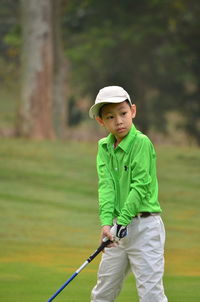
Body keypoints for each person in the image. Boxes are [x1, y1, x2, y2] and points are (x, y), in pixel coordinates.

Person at [89, 86, 168, 302]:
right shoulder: (104, 147)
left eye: (123, 114)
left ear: (133, 111)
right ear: (101, 121)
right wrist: (107, 223)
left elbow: (140, 186)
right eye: (110, 117)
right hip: (116, 229)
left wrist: (121, 222)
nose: (119, 121)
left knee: (151, 295)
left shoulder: (141, 143)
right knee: (103, 293)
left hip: (145, 228)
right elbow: (106, 186)